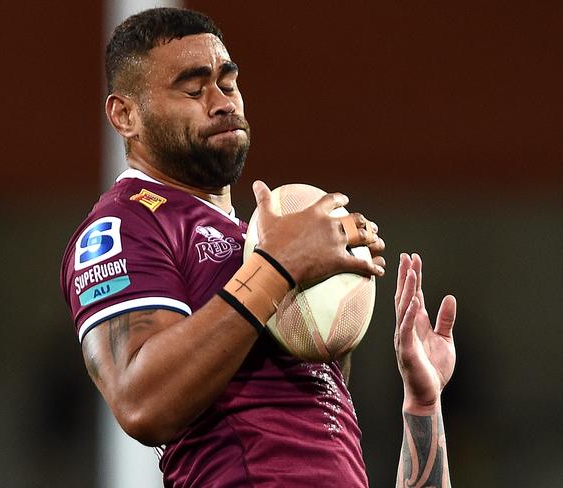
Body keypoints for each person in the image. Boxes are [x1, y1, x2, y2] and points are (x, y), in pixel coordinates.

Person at [60, 7, 457, 487]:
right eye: (192, 87)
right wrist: (281, 263)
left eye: (227, 84)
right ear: (125, 115)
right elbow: (142, 403)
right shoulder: (124, 224)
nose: (221, 101)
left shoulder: (250, 243)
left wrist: (423, 402)